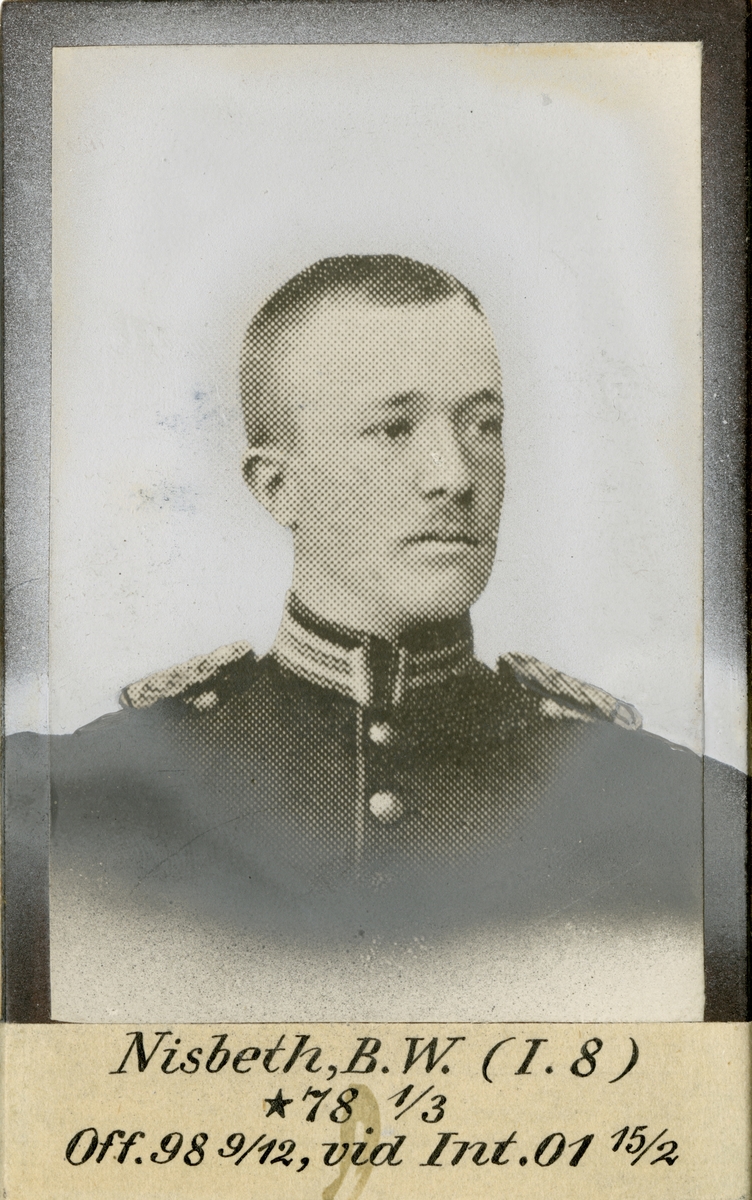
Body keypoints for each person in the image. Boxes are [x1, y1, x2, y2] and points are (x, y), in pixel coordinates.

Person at [5, 255, 704, 1022]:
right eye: (392, 428)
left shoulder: (675, 813)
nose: (454, 475)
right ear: (277, 487)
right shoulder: (66, 809)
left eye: (482, 425)